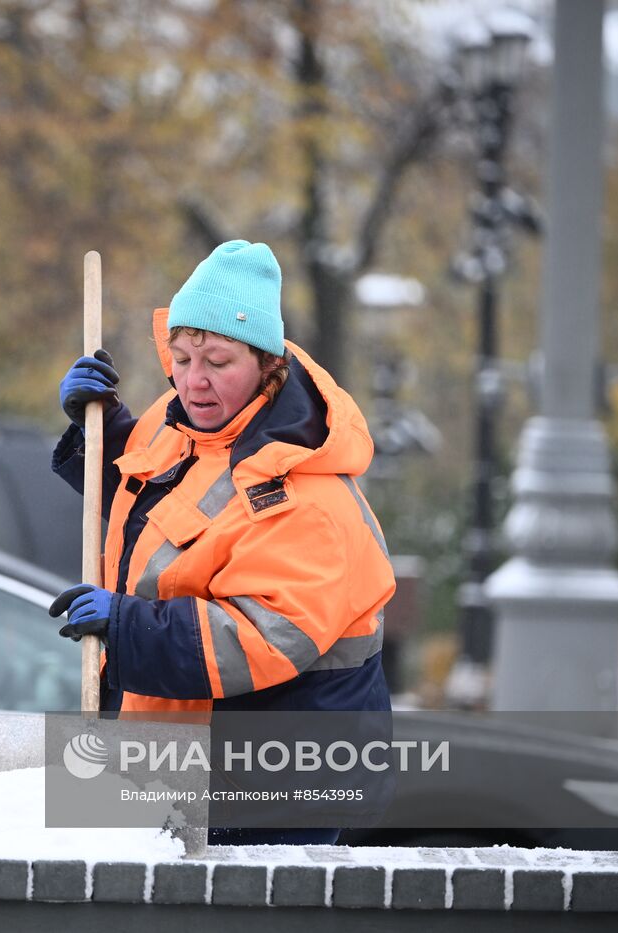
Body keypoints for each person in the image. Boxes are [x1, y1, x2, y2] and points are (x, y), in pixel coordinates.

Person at [49, 240, 395, 845]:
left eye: (217, 360)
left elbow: (262, 638)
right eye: (181, 358)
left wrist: (126, 626)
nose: (194, 381)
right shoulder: (185, 420)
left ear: (268, 365)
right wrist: (99, 427)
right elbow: (157, 502)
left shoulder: (307, 495)